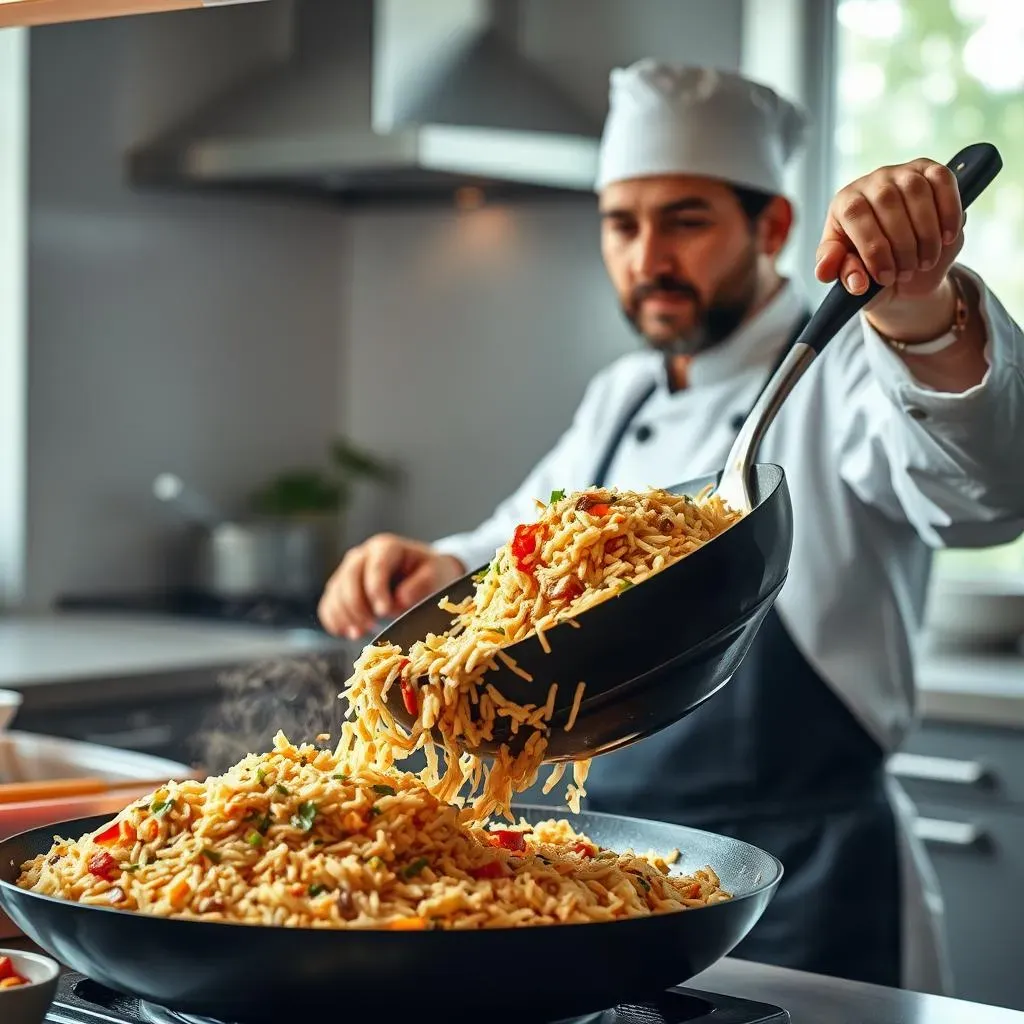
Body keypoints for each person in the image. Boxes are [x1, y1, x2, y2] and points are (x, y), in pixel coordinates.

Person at [318, 61, 1024, 993]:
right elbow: (523, 550)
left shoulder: (858, 363)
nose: (648, 257)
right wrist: (434, 564)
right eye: (623, 224)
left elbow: (984, 494)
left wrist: (923, 316)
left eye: (685, 221)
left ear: (771, 227)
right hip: (621, 874)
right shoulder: (623, 393)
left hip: (811, 879)